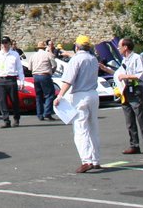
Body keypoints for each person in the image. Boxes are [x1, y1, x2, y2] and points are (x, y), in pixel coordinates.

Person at [57, 35, 102, 173]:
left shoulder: (76, 59)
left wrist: (59, 95)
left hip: (80, 95)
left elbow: (68, 80)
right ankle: (95, 160)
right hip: (93, 94)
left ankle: (86, 160)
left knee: (81, 129)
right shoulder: (93, 59)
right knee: (93, 127)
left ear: (77, 46)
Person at [114, 38, 143, 156]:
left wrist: (125, 76)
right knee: (129, 120)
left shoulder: (137, 58)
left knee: (140, 118)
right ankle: (134, 145)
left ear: (125, 47)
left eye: (120, 46)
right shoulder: (124, 60)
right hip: (125, 90)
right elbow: (120, 74)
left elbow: (140, 74)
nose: (118, 48)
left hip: (135, 90)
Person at [0, 36, 24, 128]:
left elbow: (20, 69)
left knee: (14, 101)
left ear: (9, 43)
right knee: (2, 101)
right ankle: (6, 120)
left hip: (11, 79)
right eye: (3, 43)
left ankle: (16, 119)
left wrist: (22, 81)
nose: (4, 45)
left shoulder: (15, 54)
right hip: (0, 79)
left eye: (6, 43)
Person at [28, 40, 57, 121]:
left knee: (38, 95)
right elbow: (54, 65)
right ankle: (47, 112)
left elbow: (29, 68)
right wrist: (52, 72)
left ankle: (40, 114)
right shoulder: (48, 54)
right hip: (45, 75)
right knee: (50, 94)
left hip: (36, 76)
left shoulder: (33, 56)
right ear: (44, 47)